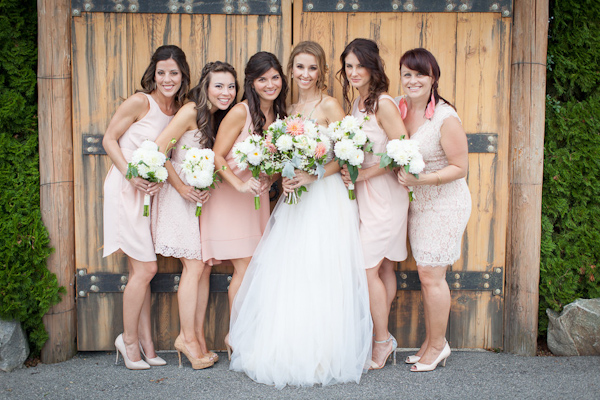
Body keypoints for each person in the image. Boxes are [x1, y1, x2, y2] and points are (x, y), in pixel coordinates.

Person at [228, 41, 372, 388]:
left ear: (321, 71)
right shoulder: (288, 109)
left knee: (323, 268)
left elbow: (349, 155)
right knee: (294, 269)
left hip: (326, 198)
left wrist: (315, 174)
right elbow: (283, 158)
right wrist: (285, 177)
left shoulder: (330, 105)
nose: (305, 74)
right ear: (291, 70)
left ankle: (324, 352)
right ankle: (291, 346)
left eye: (312, 68)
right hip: (297, 201)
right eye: (299, 67)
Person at [102, 45, 190, 370]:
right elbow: (109, 139)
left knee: (140, 271)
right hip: (126, 189)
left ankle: (147, 345)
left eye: (174, 73)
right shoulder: (141, 102)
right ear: (154, 73)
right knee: (147, 270)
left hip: (151, 195)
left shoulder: (179, 110)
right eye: (162, 72)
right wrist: (131, 174)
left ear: (183, 76)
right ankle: (127, 342)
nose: (167, 79)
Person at [151, 61, 238, 369]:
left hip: (198, 200)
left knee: (201, 268)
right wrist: (182, 189)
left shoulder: (216, 118)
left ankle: (196, 338)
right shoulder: (190, 111)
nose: (225, 92)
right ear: (205, 86)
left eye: (231, 86)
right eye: (219, 85)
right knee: (194, 266)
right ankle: (186, 338)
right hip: (179, 198)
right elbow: (159, 150)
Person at [200, 52, 288, 354]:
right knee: (244, 267)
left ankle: (243, 333)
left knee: (253, 267)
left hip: (255, 199)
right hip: (229, 197)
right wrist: (239, 183)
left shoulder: (279, 115)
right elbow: (217, 156)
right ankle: (236, 337)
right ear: (251, 82)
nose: (270, 84)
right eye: (262, 79)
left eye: (275, 77)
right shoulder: (240, 112)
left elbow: (275, 164)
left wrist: (271, 179)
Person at [396, 48, 471, 372]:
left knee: (431, 275)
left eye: (420, 75)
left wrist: (423, 179)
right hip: (419, 205)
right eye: (407, 74)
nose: (413, 81)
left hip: (445, 202)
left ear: (433, 79)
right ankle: (430, 342)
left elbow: (460, 167)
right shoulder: (400, 108)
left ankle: (438, 346)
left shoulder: (444, 117)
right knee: (426, 275)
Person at [338, 38, 409, 369]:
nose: (353, 72)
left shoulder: (383, 103)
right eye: (349, 66)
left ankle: (382, 340)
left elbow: (401, 152)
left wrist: (364, 174)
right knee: (382, 267)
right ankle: (379, 334)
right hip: (366, 197)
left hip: (386, 196)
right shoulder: (357, 104)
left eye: (359, 65)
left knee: (367, 268)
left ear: (373, 66)